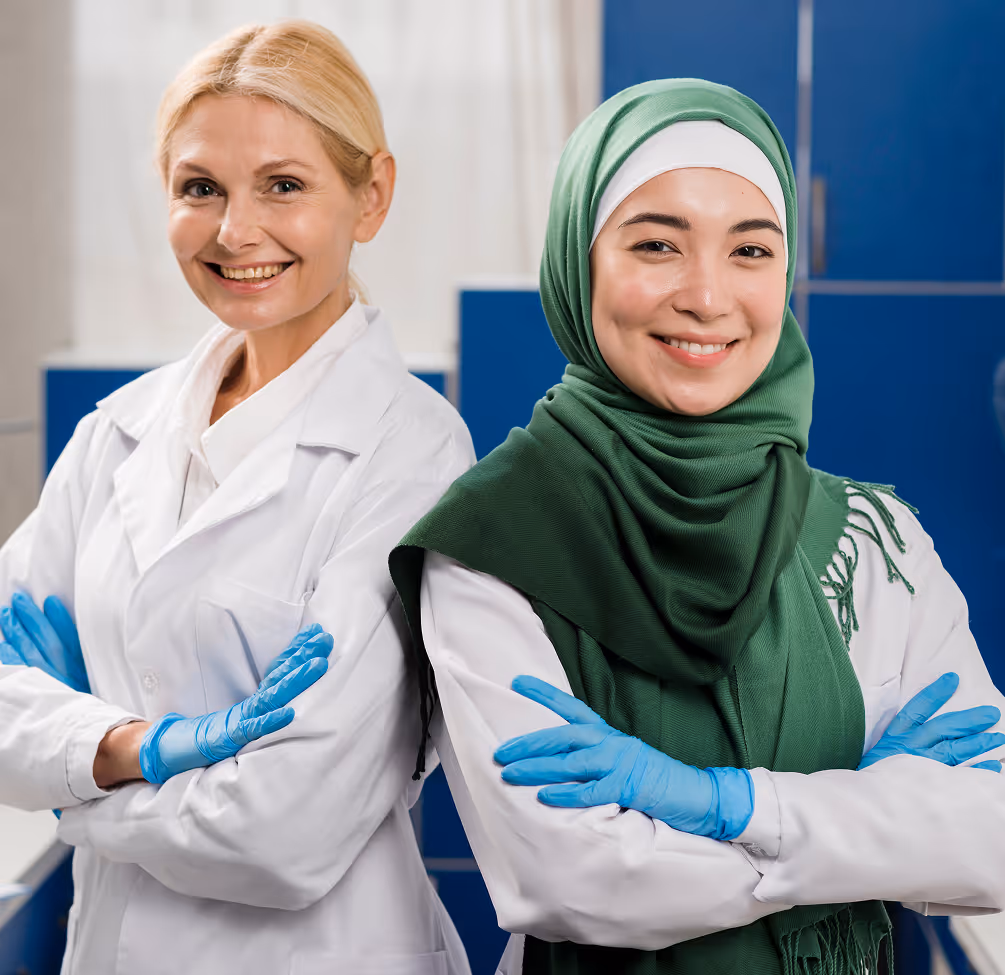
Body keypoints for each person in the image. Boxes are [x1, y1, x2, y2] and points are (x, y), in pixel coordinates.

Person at [389, 79, 1005, 973]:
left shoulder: (875, 540)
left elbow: (986, 835)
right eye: (656, 245)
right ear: (576, 261)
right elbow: (573, 880)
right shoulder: (491, 547)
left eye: (751, 249)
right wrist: (862, 821)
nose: (708, 296)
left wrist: (724, 804)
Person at [0, 21, 473, 975]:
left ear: (369, 194)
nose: (234, 231)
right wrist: (141, 745)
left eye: (284, 186)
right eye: (200, 188)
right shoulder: (119, 431)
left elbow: (287, 834)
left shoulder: (412, 453)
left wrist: (72, 778)